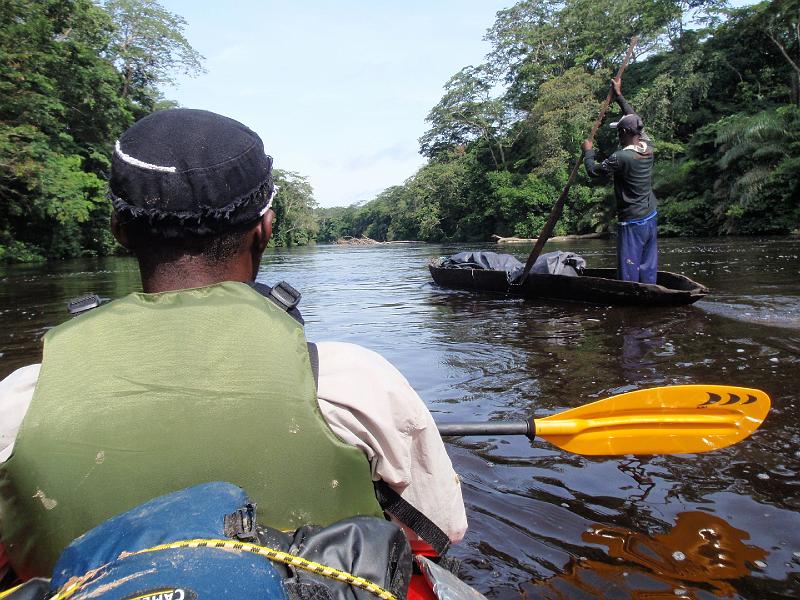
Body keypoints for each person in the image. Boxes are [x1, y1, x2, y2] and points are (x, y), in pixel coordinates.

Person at [0, 109, 466, 578]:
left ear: (119, 229)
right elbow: (438, 531)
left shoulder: (21, 402)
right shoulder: (355, 382)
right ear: (265, 229)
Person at [582, 77, 658, 284]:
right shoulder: (648, 147)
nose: (618, 135)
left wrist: (588, 152)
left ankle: (630, 292)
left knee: (628, 266)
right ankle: (649, 288)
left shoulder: (621, 157)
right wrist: (619, 96)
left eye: (619, 132)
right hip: (650, 215)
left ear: (624, 132)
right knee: (648, 265)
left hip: (632, 220)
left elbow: (593, 171)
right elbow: (635, 119)